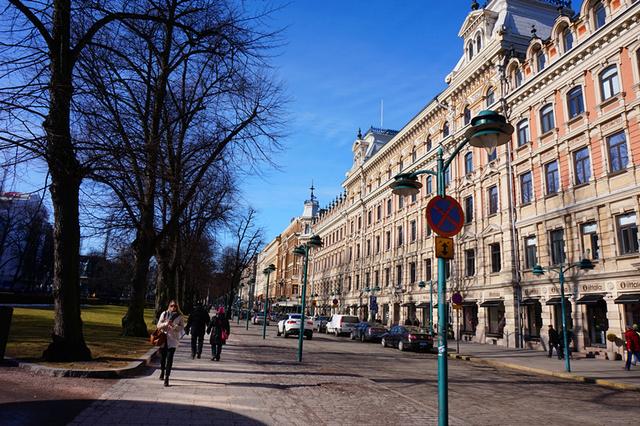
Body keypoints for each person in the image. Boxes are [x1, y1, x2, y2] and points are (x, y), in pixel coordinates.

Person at [157, 300, 185, 387]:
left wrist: (174, 326)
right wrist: (165, 323)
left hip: (173, 340)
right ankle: (162, 371)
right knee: (163, 358)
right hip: (163, 339)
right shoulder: (164, 314)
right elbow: (158, 325)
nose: (173, 307)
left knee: (169, 359)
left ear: (177, 307)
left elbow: (181, 328)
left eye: (175, 306)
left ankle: (167, 378)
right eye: (171, 305)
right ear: (169, 306)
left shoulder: (180, 316)